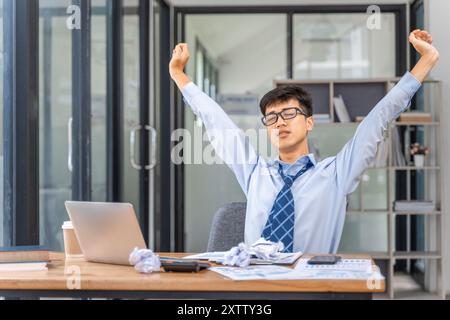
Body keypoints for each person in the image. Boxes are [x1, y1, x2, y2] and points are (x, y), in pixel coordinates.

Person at [169, 29, 439, 253]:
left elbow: (375, 122)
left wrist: (425, 61)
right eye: (271, 118)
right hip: (254, 284)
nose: (280, 122)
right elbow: (218, 125)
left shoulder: (335, 173)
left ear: (309, 122)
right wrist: (180, 76)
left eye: (289, 113)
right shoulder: (254, 172)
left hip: (309, 285)